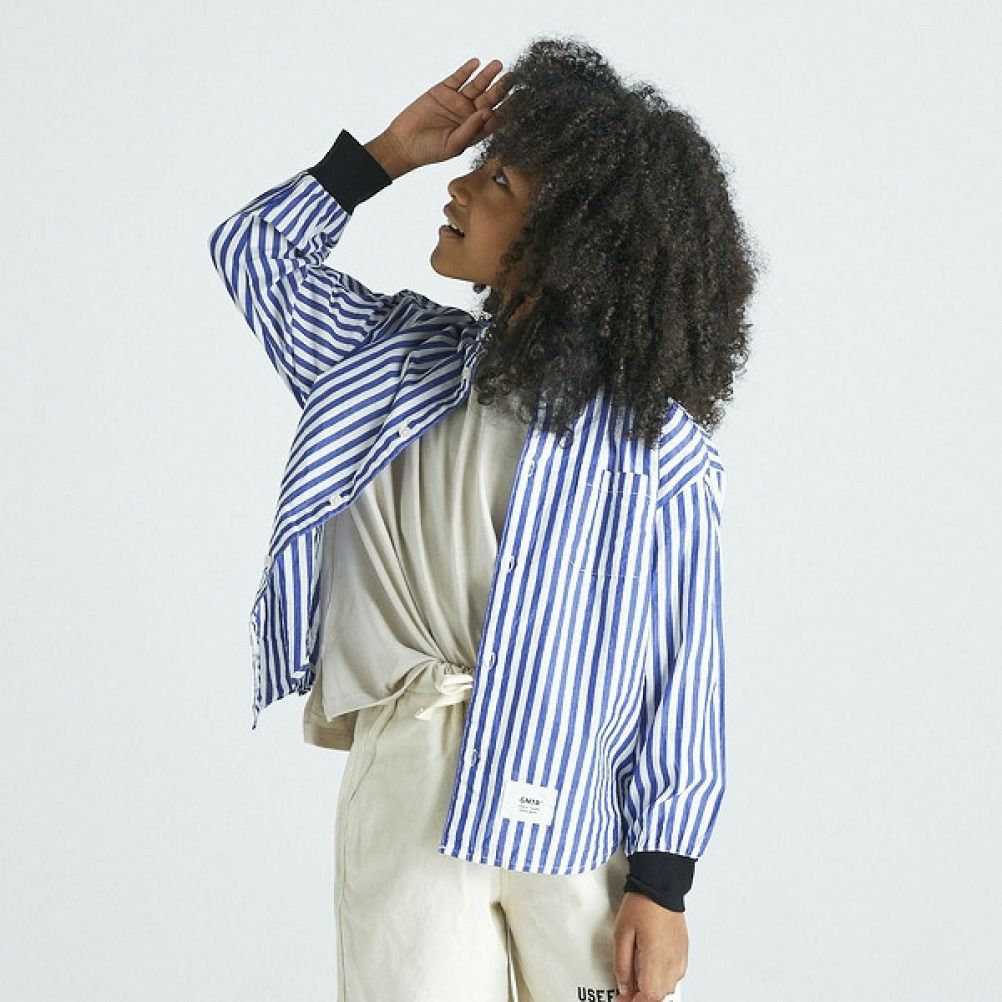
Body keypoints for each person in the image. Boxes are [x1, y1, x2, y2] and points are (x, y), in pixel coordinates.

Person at [208, 35, 757, 1002]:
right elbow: (255, 253)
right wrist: (386, 154)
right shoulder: (386, 360)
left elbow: (686, 671)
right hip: (412, 786)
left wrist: (664, 884)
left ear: (569, 240)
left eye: (496, 179)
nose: (457, 187)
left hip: (574, 810)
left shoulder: (657, 451)